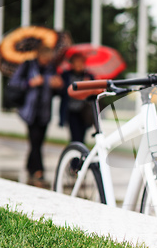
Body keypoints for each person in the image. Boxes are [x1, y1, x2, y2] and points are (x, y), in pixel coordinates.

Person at [8, 45, 64, 187]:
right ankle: (38, 170)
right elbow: (14, 83)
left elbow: (58, 91)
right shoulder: (27, 65)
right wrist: (30, 82)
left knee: (38, 142)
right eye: (45, 58)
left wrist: (58, 85)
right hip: (30, 111)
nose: (47, 61)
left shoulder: (52, 68)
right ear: (39, 56)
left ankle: (29, 166)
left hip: (44, 111)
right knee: (35, 139)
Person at [60, 53, 95, 143]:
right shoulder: (66, 75)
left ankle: (80, 155)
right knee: (75, 136)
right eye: (76, 62)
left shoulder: (88, 76)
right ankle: (75, 155)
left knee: (82, 137)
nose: (79, 64)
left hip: (84, 111)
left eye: (81, 62)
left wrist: (88, 86)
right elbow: (62, 92)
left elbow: (94, 93)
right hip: (71, 110)